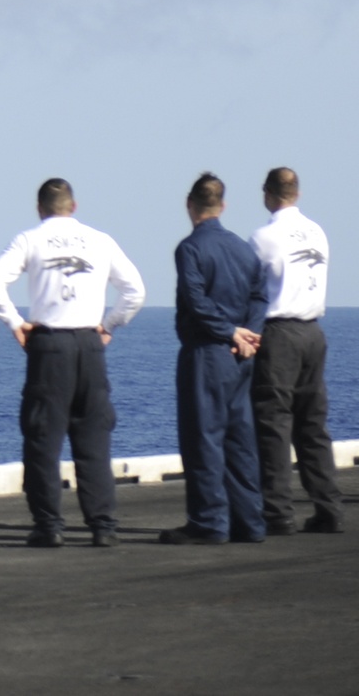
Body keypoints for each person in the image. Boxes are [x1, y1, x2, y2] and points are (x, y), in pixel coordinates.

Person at [0, 177, 145, 548]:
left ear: (40, 209)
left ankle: (49, 525)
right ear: (73, 206)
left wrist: (14, 322)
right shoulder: (100, 240)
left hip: (49, 345)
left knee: (43, 438)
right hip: (89, 344)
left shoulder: (30, 239)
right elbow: (135, 290)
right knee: (93, 438)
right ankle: (103, 526)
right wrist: (109, 324)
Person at [160, 172, 267, 545]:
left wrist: (228, 332)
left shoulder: (190, 249)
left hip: (206, 353)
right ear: (223, 206)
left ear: (190, 204)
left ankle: (209, 522)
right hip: (241, 356)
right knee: (240, 438)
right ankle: (250, 522)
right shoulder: (243, 248)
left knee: (203, 437)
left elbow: (196, 301)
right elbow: (260, 296)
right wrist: (248, 333)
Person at [249, 167, 344, 535]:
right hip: (313, 333)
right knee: (313, 424)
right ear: (297, 193)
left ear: (267, 194)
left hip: (280, 333)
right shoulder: (318, 232)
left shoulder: (263, 237)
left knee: (273, 423)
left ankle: (277, 512)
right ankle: (329, 507)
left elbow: (250, 288)